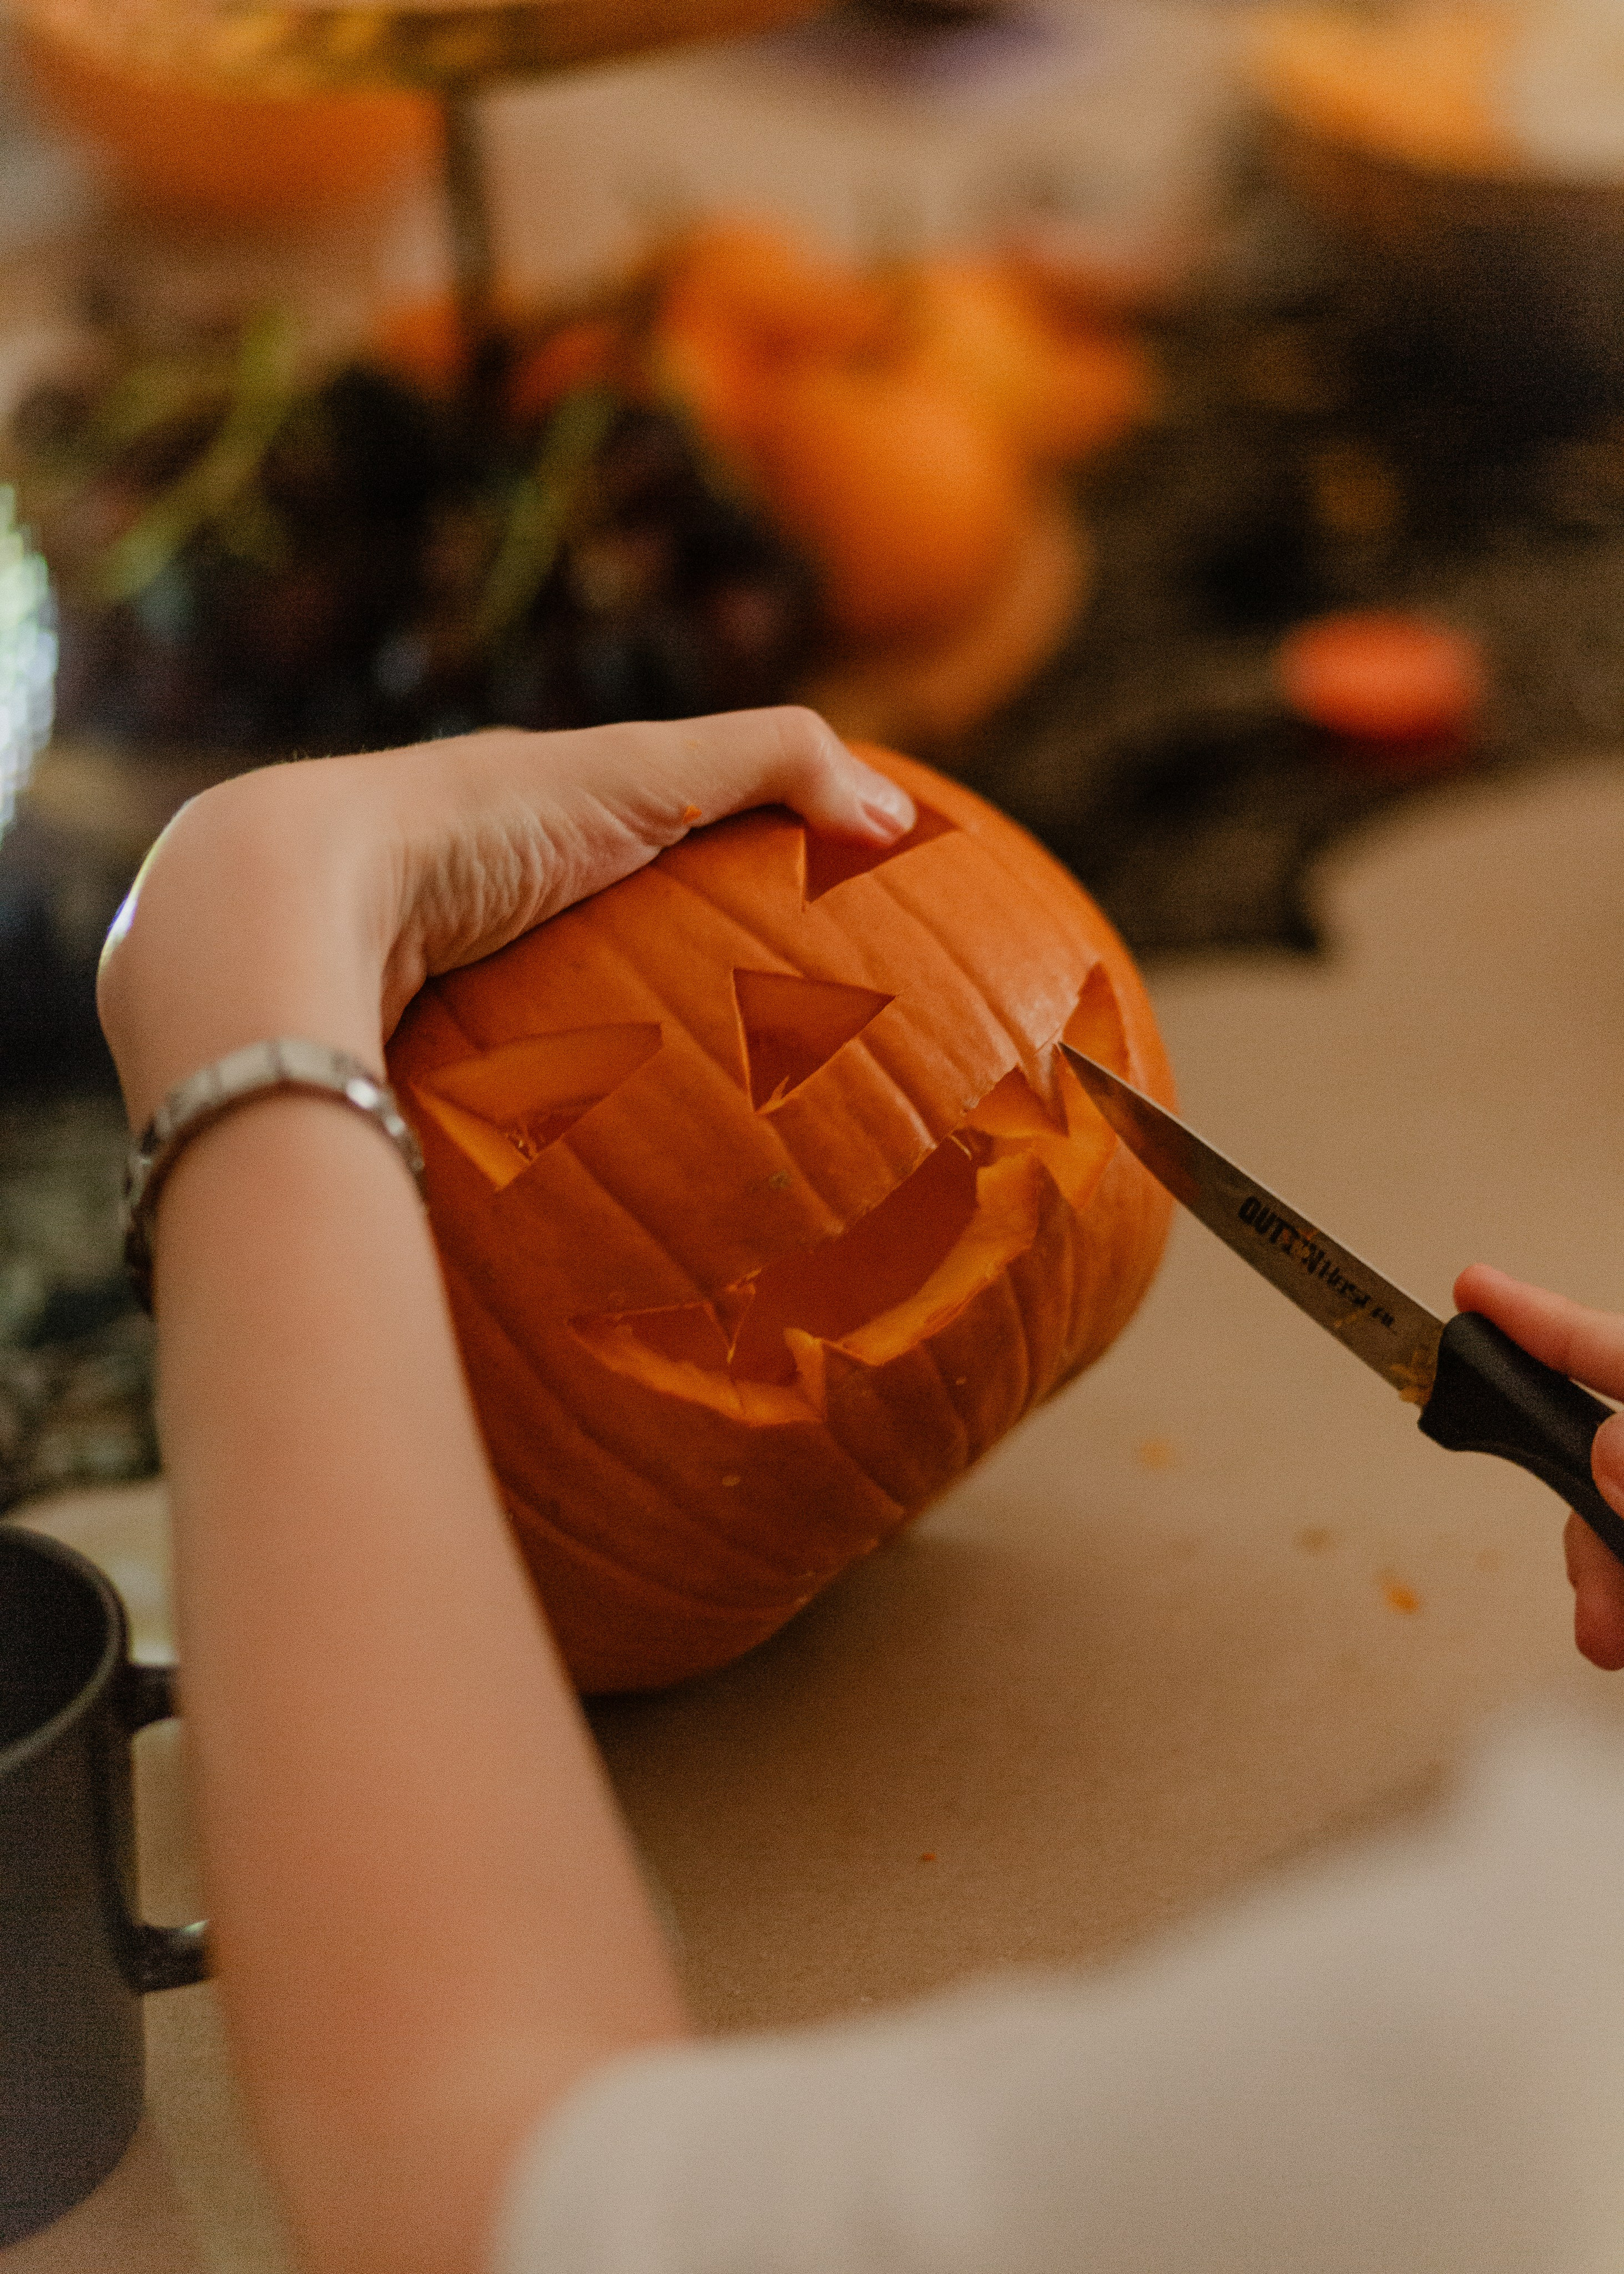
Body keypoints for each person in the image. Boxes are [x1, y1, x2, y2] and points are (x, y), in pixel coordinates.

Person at [97, 709, 1624, 2274]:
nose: (794, 1058)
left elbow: (475, 2192)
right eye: (547, 1111)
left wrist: (250, 973)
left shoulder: (1512, 2066)